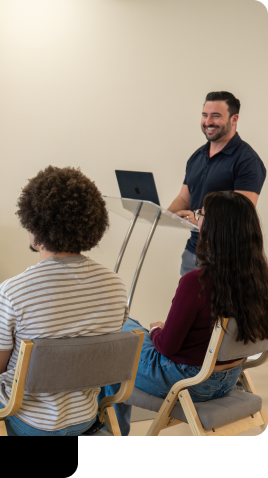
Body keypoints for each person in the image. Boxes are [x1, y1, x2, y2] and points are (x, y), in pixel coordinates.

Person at [0, 166, 129, 436]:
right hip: (84, 417)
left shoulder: (13, 292)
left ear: (33, 223)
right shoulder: (116, 286)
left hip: (26, 419)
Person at [101, 191, 268, 436]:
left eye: (201, 215)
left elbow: (166, 347)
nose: (197, 218)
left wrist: (156, 330)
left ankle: (109, 430)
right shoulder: (260, 280)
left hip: (187, 382)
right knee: (128, 325)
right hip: (229, 379)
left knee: (114, 332)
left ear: (214, 228)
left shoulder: (197, 282)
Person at [167, 91, 265, 276]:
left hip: (226, 258)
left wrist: (200, 219)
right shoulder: (196, 157)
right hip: (193, 252)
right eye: (205, 115)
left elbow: (241, 214)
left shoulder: (247, 161)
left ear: (234, 119)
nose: (208, 121)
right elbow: (184, 198)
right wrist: (163, 215)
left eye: (216, 116)